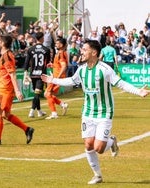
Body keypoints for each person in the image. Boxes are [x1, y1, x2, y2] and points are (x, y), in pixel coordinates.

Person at [41, 40, 150, 185]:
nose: (82, 51)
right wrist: (52, 79)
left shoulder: (104, 69)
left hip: (104, 112)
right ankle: (97, 175)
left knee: (99, 148)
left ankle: (112, 142)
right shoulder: (82, 69)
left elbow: (120, 83)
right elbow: (71, 81)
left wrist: (138, 91)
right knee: (88, 145)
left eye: (85, 49)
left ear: (94, 53)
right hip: (88, 112)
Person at [0, 34, 34, 145]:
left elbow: (12, 74)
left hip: (4, 90)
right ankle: (27, 129)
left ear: (3, 43)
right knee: (5, 114)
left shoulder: (7, 56)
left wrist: (17, 91)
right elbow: (3, 73)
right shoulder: (4, 56)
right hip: (4, 88)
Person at [23, 31, 51, 118]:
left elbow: (27, 62)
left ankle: (39, 111)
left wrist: (25, 72)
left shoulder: (30, 49)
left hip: (33, 74)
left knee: (36, 93)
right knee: (37, 94)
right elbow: (48, 62)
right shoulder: (46, 50)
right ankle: (31, 111)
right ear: (42, 39)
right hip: (41, 74)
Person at [44, 38, 69, 119]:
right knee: (48, 94)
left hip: (57, 78)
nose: (56, 45)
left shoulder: (61, 53)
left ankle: (54, 113)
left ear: (61, 45)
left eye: (57, 43)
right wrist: (53, 65)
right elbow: (60, 65)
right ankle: (62, 105)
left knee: (47, 94)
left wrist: (57, 78)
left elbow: (64, 66)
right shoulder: (60, 53)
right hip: (56, 77)